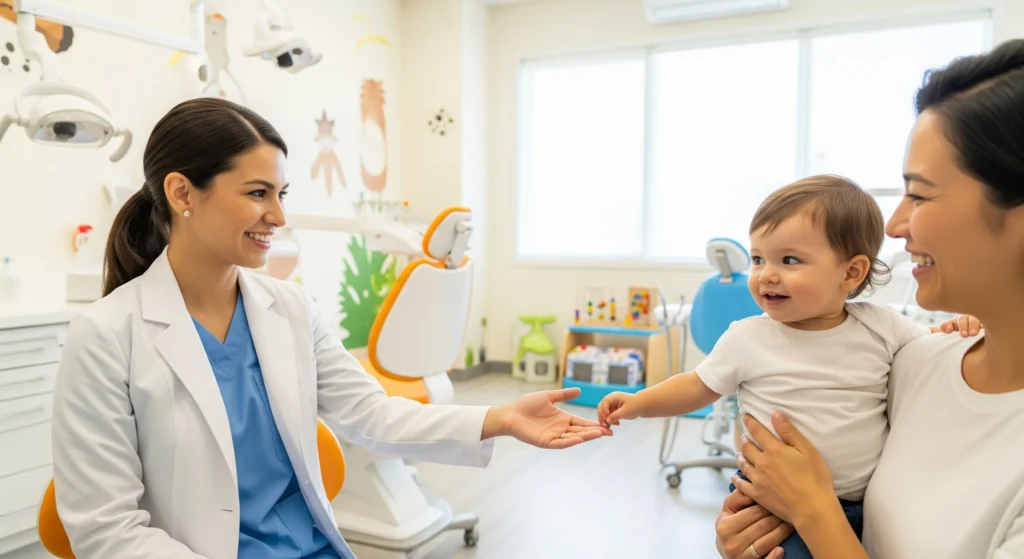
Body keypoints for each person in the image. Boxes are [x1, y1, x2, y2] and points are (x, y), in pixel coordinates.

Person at [49, 97, 612, 559]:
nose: (279, 216)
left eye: (281, 194)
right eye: (257, 193)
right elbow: (107, 531)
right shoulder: (105, 336)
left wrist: (499, 418)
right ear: (181, 193)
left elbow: (371, 414)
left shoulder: (290, 308)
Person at [715, 38, 1024, 559]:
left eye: (920, 194)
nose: (895, 224)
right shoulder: (916, 363)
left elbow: (820, 508)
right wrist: (757, 532)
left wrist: (813, 509)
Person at [596, 175, 980, 558]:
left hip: (863, 502)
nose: (767, 274)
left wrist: (957, 326)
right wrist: (638, 402)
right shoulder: (748, 337)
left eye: (789, 260)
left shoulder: (880, 325)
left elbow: (931, 343)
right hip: (771, 504)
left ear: (851, 273)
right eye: (759, 258)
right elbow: (698, 385)